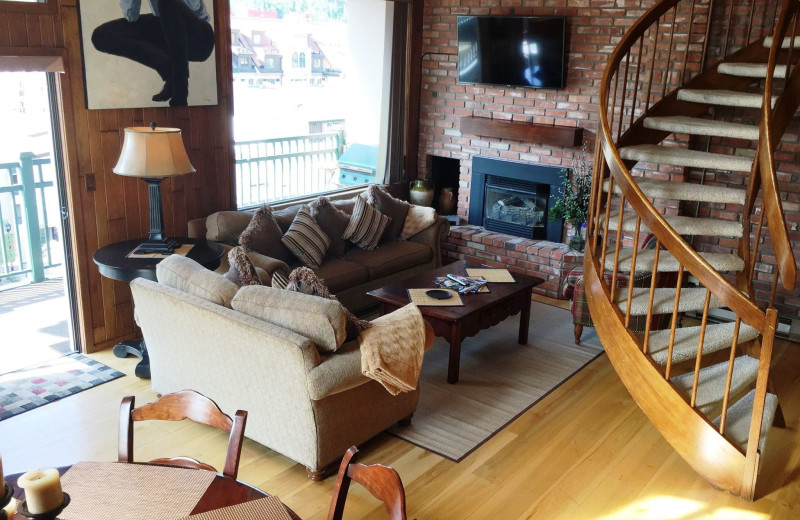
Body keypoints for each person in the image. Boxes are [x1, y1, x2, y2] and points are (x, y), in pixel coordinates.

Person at [91, 0, 215, 107]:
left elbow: (196, 8)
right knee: (101, 35)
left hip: (199, 36)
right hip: (164, 29)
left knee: (167, 3)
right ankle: (169, 72)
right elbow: (131, 16)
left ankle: (180, 89)